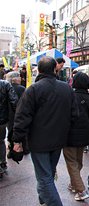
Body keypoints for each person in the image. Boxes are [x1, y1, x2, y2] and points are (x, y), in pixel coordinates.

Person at [12, 56, 78, 206]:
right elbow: (75, 114)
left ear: (39, 70)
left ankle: (51, 202)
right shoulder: (66, 88)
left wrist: (17, 140)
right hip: (59, 139)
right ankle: (44, 199)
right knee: (48, 173)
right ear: (55, 69)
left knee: (44, 177)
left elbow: (22, 117)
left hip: (38, 140)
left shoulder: (33, 89)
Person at [63, 72, 89, 201]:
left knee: (71, 162)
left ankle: (81, 190)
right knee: (78, 161)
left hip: (69, 133)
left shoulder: (69, 96)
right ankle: (73, 183)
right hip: (84, 133)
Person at [5, 72, 26, 158]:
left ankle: (10, 149)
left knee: (10, 131)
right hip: (19, 113)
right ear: (16, 79)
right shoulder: (22, 89)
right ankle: (22, 147)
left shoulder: (5, 87)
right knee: (20, 129)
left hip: (8, 113)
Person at [0, 79, 18, 175]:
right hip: (2, 119)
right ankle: (2, 162)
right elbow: (14, 101)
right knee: (1, 141)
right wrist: (18, 116)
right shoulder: (5, 84)